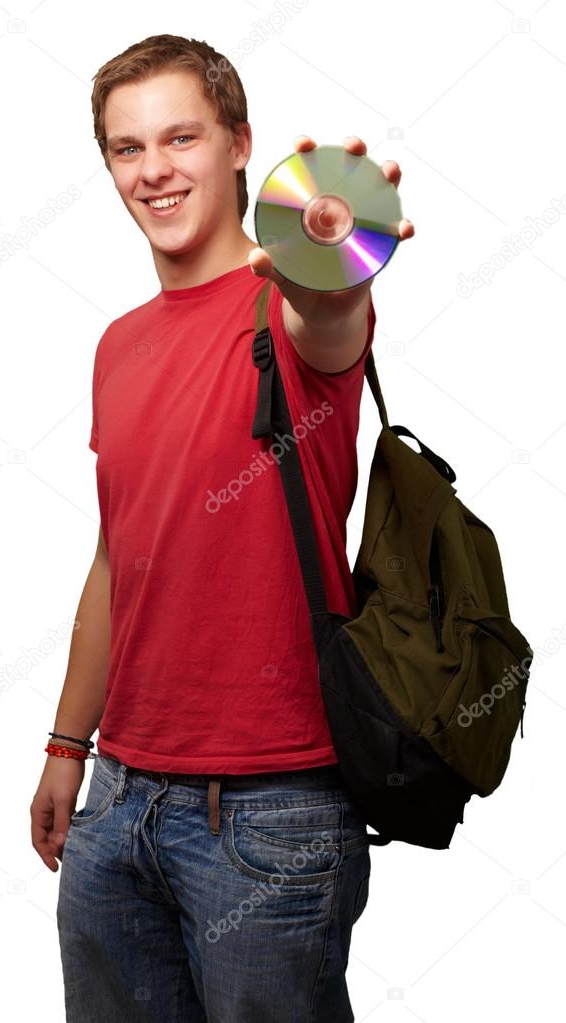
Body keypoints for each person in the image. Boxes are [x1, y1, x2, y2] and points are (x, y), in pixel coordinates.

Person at [30, 33, 414, 1023]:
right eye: (127, 148)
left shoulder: (280, 310)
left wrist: (334, 240)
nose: (154, 169)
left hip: (265, 812)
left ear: (239, 144)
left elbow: (328, 308)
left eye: (180, 137)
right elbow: (120, 558)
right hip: (117, 804)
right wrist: (68, 749)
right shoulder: (117, 346)